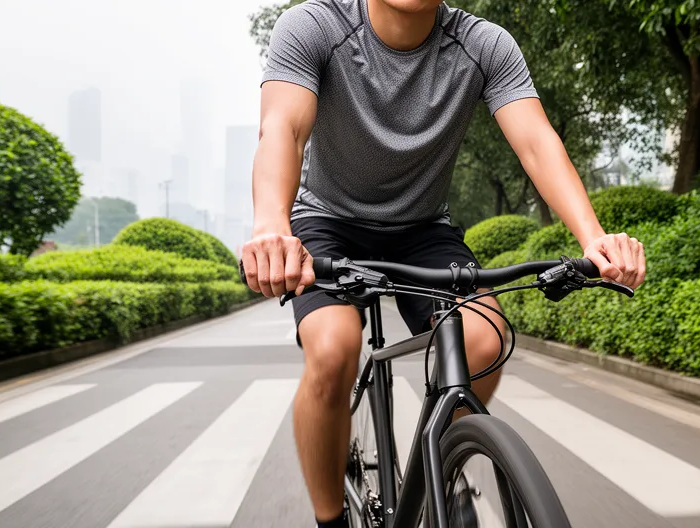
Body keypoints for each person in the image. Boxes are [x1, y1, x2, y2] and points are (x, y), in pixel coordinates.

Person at [241, 0, 646, 526]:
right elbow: (283, 129)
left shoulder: (483, 44)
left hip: (423, 229)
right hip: (329, 223)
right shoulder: (316, 25)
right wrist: (271, 224)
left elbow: (536, 143)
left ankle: (442, 463)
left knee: (484, 338)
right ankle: (331, 519)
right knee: (334, 347)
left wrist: (594, 238)